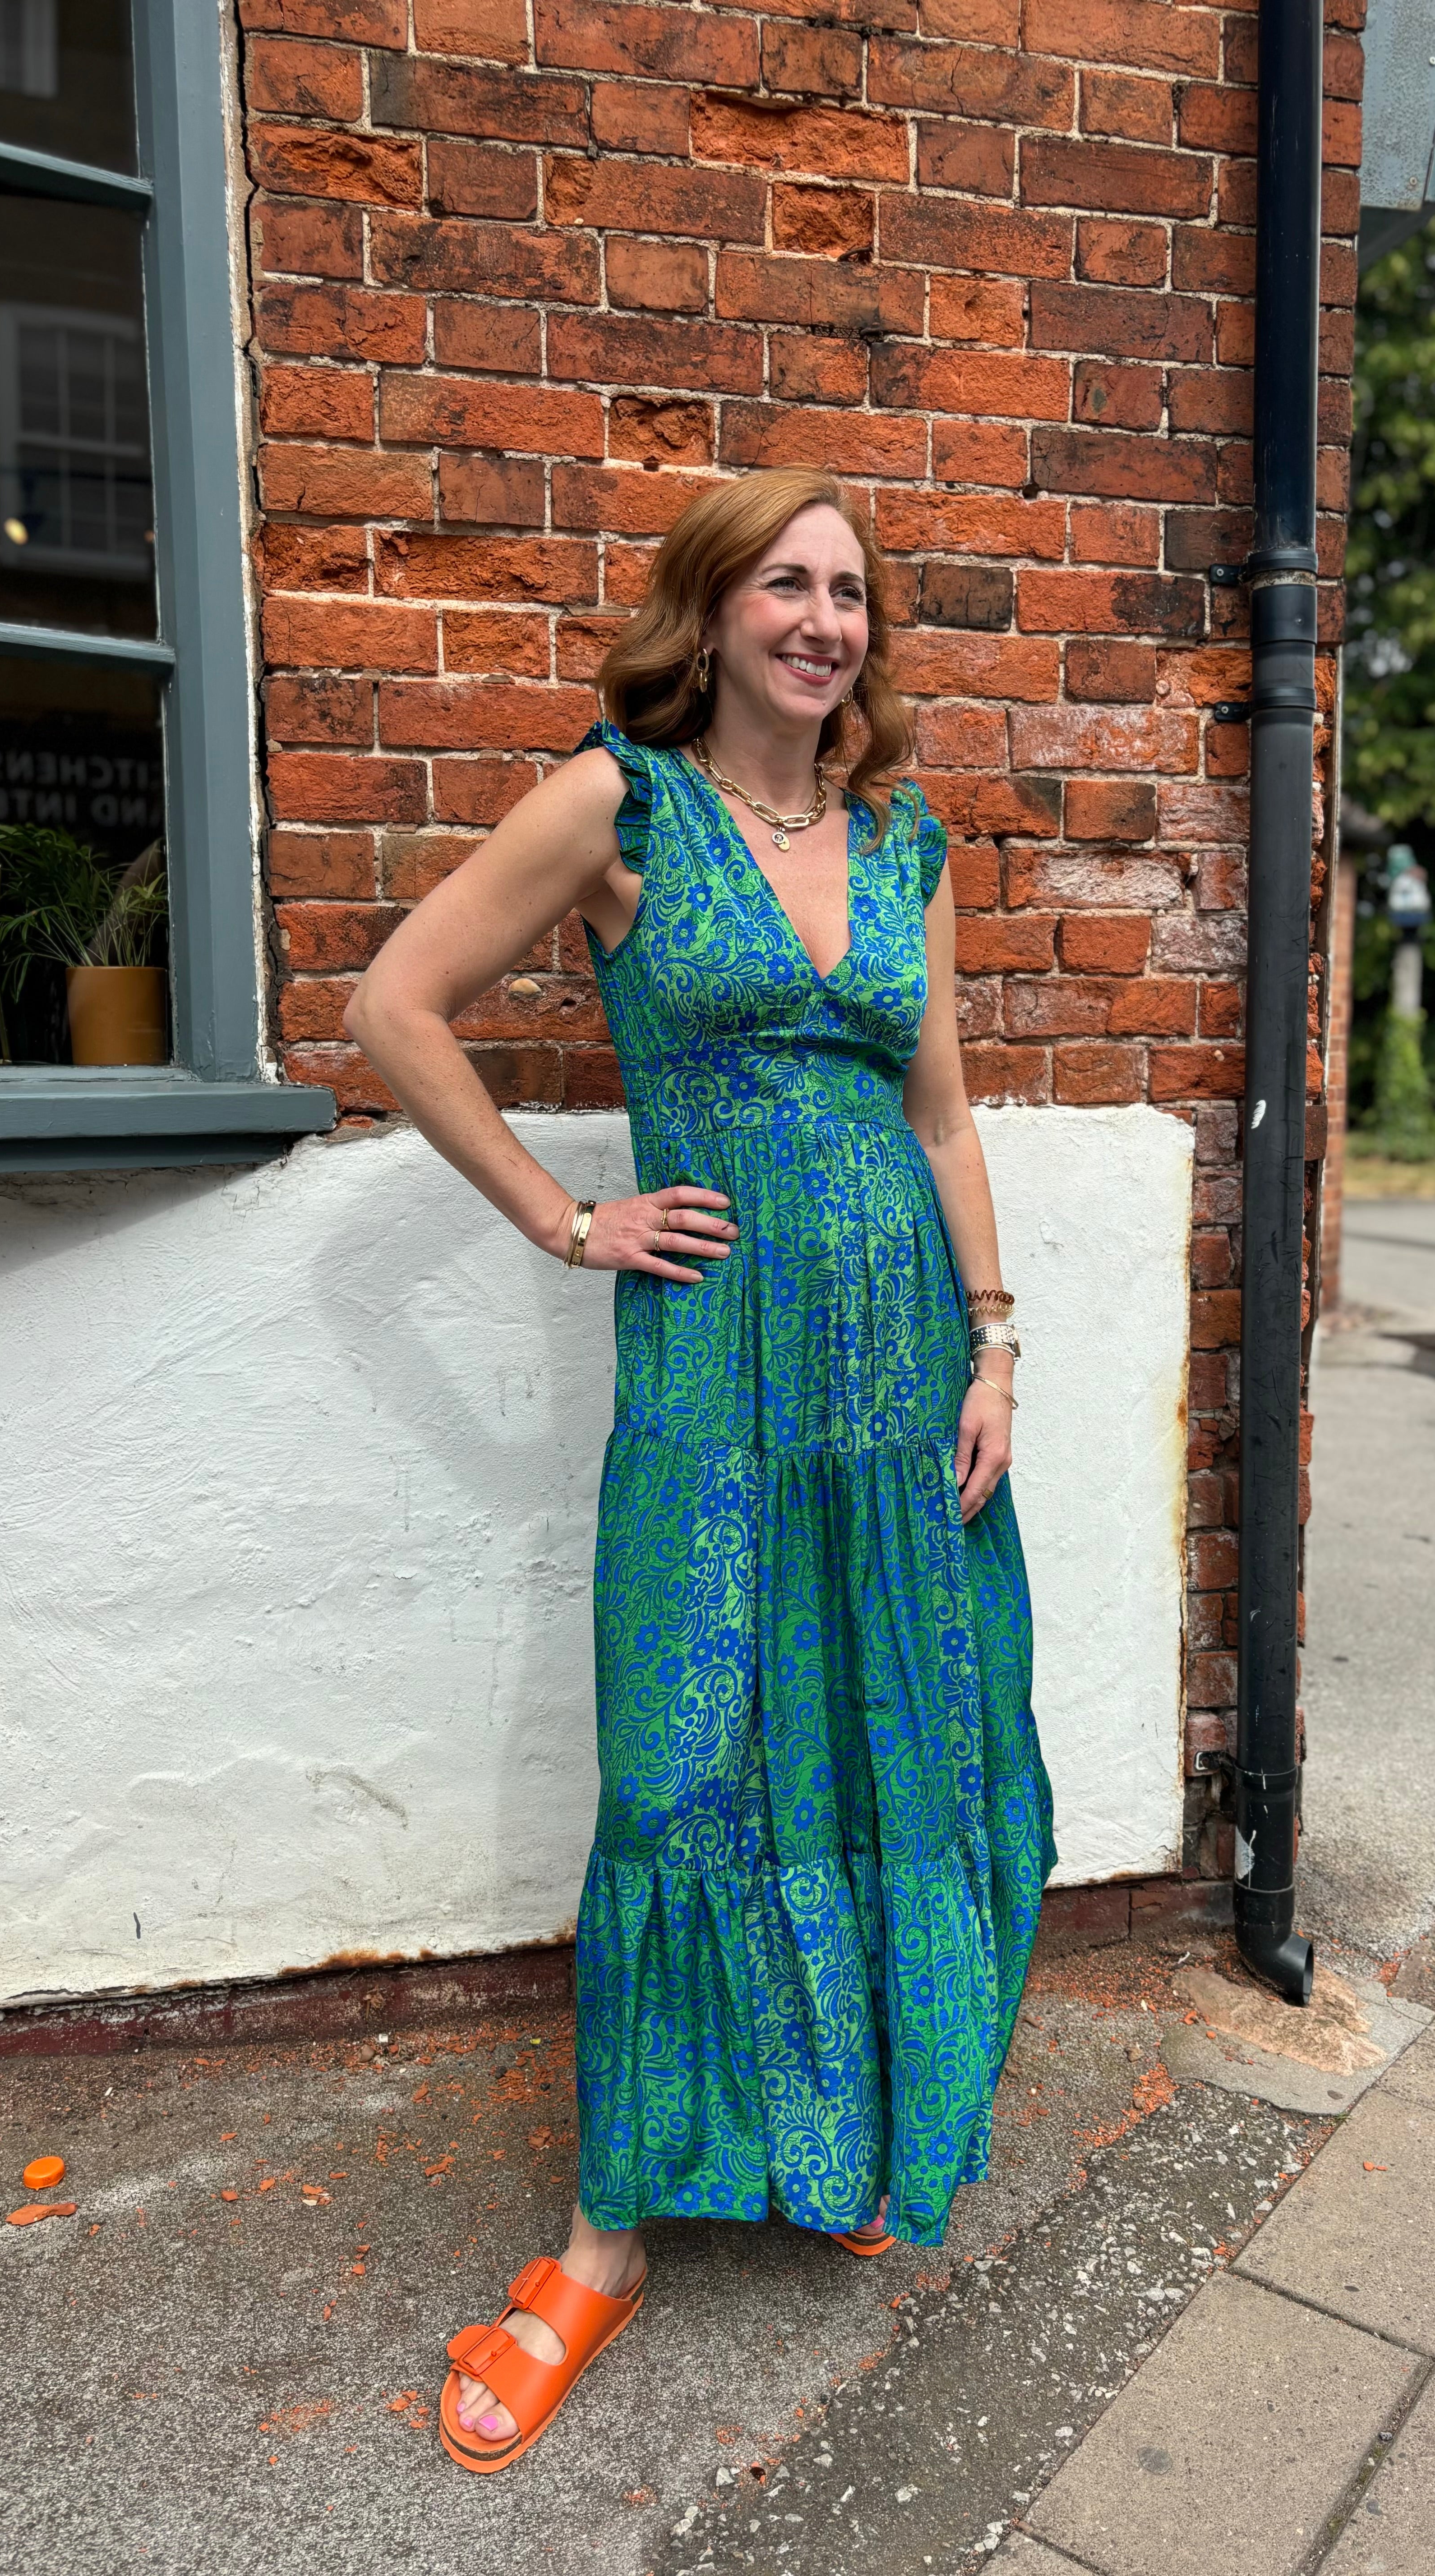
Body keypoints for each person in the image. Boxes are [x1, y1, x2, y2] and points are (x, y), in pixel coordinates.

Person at [345, 465, 1057, 2476]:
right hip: (719, 1383)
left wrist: (997, 1339)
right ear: (714, 611)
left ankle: (838, 2123)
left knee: (880, 1750)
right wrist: (571, 1226)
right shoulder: (619, 808)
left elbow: (937, 1117)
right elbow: (397, 1007)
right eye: (787, 585)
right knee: (689, 1758)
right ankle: (603, 2240)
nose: (824, 621)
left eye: (851, 592)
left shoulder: (906, 842)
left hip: (902, 1374)